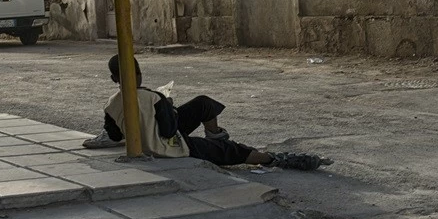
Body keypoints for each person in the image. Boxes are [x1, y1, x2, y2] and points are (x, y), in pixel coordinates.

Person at [83, 55, 332, 171]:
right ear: (139, 74)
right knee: (230, 151)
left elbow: (114, 135)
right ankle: (276, 159)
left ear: (113, 78)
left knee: (202, 104)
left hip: (152, 140)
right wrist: (167, 106)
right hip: (168, 146)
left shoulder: (111, 103)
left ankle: (215, 135)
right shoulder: (153, 97)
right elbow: (170, 130)